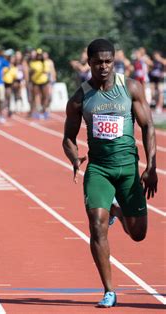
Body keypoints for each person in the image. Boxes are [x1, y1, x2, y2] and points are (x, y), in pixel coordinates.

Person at [62, 39, 157, 308]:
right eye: (98, 61)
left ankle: (118, 210)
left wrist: (151, 166)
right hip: (99, 170)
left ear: (113, 61)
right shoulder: (80, 98)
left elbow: (148, 125)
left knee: (138, 234)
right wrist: (74, 157)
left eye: (108, 61)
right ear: (88, 62)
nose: (103, 66)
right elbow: (68, 138)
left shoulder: (130, 88)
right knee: (96, 225)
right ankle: (109, 290)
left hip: (128, 170)